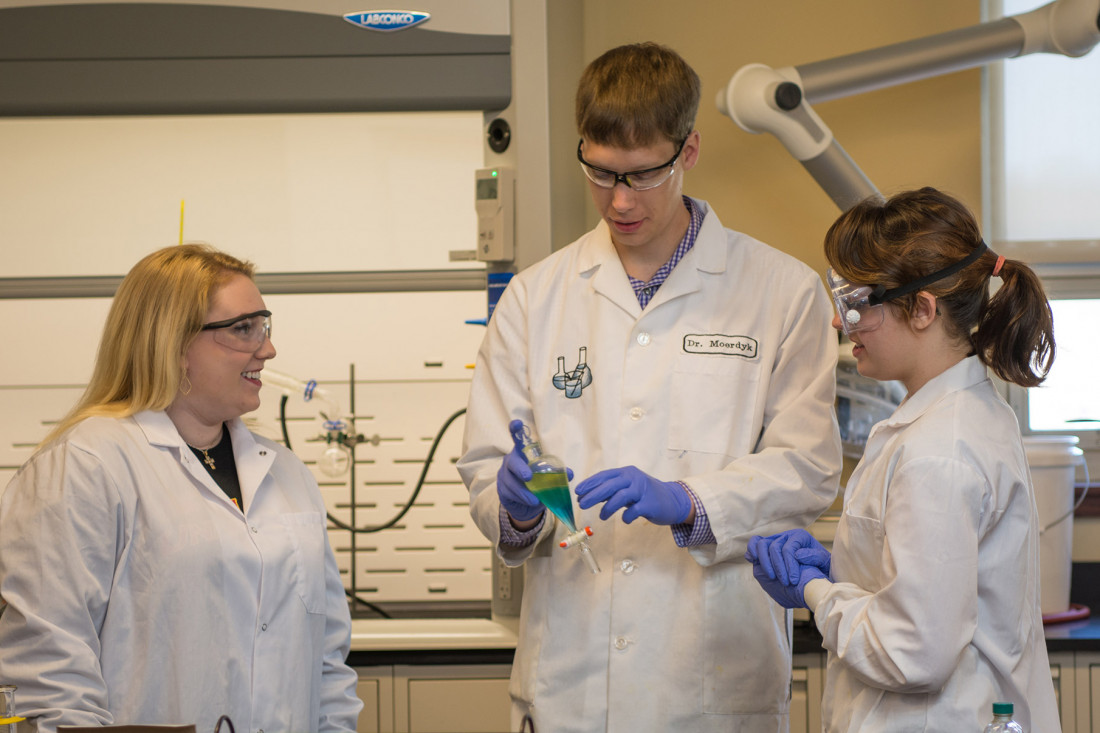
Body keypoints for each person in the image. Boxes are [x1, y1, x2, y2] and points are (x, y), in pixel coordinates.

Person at [457, 42, 842, 732]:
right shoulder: (533, 298)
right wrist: (515, 507)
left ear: (688, 150)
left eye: (641, 175)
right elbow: (490, 473)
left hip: (712, 681)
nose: (620, 200)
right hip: (569, 682)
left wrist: (689, 500)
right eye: (600, 174)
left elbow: (808, 466)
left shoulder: (782, 291)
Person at [0, 245, 362, 733]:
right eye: (242, 328)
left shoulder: (288, 475)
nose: (267, 348)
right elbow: (48, 671)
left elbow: (327, 665)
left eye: (265, 325)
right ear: (172, 343)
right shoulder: (85, 466)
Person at [746, 187, 1061, 732]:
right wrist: (841, 573)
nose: (839, 322)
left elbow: (913, 651)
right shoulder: (957, 417)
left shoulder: (939, 450)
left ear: (922, 309)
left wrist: (816, 592)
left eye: (857, 303)